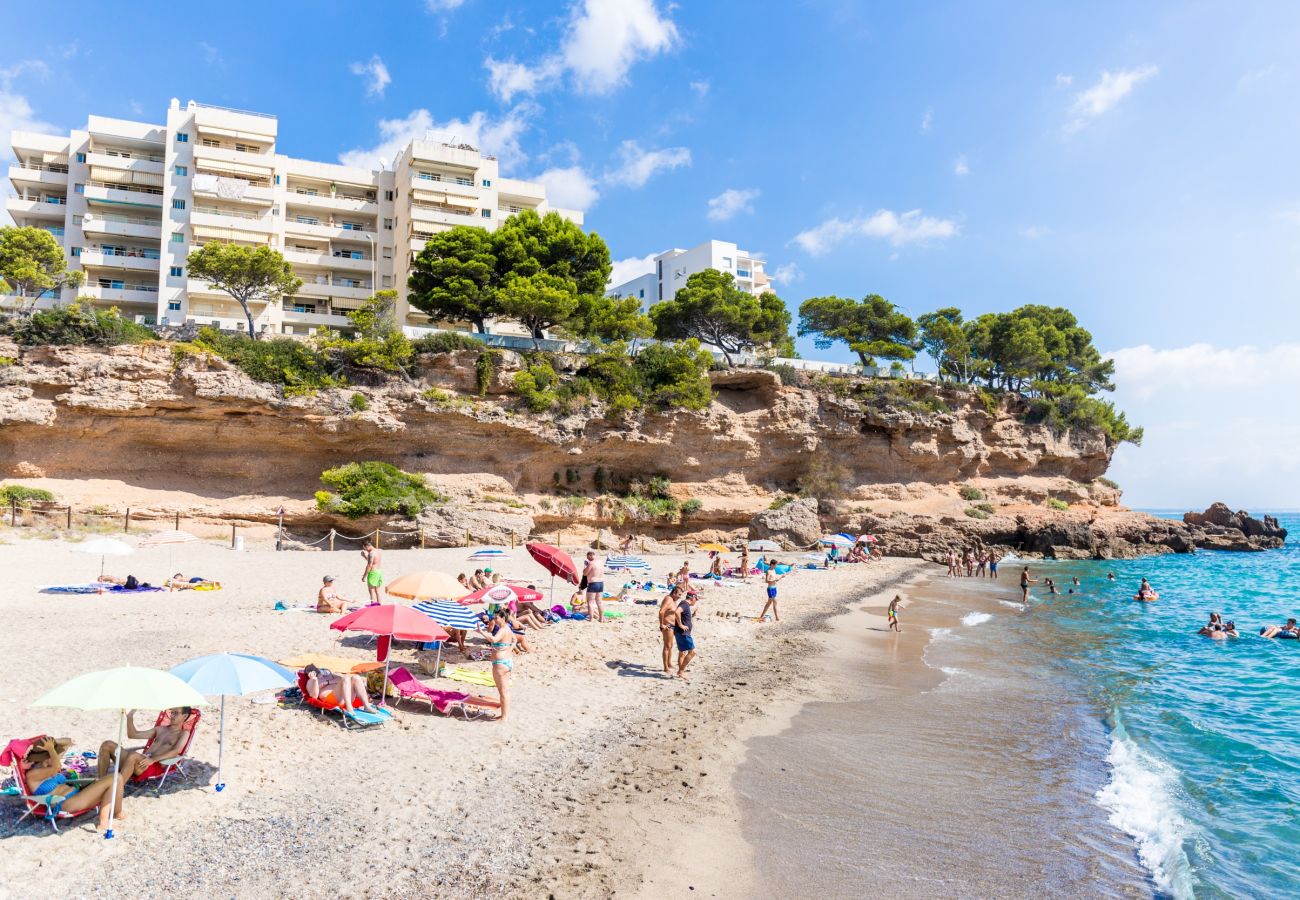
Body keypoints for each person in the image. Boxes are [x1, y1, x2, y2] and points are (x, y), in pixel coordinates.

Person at [20, 736, 128, 831]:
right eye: (52, 755)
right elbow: (56, 767)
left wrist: (52, 742)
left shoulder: (50, 764)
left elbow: (68, 742)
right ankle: (104, 823)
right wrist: (51, 749)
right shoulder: (32, 775)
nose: (56, 756)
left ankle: (117, 813)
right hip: (67, 803)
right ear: (46, 757)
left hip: (77, 796)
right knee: (115, 777)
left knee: (117, 779)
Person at [98, 707, 198, 780]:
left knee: (133, 755)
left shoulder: (183, 734)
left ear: (185, 716)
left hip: (154, 765)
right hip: (140, 761)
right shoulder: (160, 729)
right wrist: (130, 717)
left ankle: (116, 790)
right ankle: (100, 782)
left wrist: (152, 759)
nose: (171, 715)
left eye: (175, 713)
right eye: (171, 712)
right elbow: (133, 735)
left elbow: (176, 750)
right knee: (107, 745)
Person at [303, 665, 380, 714]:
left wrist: (327, 682)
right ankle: (349, 707)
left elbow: (340, 679)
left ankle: (366, 706)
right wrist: (315, 680)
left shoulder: (328, 675)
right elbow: (314, 696)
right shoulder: (311, 681)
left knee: (356, 677)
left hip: (346, 697)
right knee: (346, 678)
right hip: (331, 699)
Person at [487, 607, 517, 722]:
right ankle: (503, 715)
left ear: (503, 618)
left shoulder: (503, 629)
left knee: (503, 691)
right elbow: (514, 640)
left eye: (496, 618)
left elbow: (494, 640)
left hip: (501, 664)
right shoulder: (508, 628)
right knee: (504, 691)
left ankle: (504, 717)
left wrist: (482, 632)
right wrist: (509, 649)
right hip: (506, 661)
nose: (494, 620)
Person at [674, 589, 697, 681]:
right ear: (693, 598)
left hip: (680, 632)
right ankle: (681, 671)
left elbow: (684, 617)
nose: (696, 601)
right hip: (683, 633)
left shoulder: (685, 605)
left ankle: (681, 671)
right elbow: (677, 612)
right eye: (696, 599)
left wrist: (694, 614)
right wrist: (680, 625)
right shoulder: (684, 604)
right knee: (692, 652)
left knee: (682, 653)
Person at [659, 586, 682, 675]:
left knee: (670, 645)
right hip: (667, 626)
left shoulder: (673, 600)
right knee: (667, 646)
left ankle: (669, 663)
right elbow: (661, 611)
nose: (680, 596)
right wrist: (662, 624)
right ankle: (665, 667)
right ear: (674, 592)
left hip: (672, 626)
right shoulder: (668, 599)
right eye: (679, 594)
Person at [583, 552, 606, 624]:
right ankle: (601, 618)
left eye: (588, 557)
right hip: (601, 583)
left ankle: (591, 618)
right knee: (599, 602)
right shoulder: (600, 562)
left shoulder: (591, 563)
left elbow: (585, 573)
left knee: (590, 602)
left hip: (593, 583)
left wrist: (585, 566)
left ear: (590, 556)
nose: (588, 559)